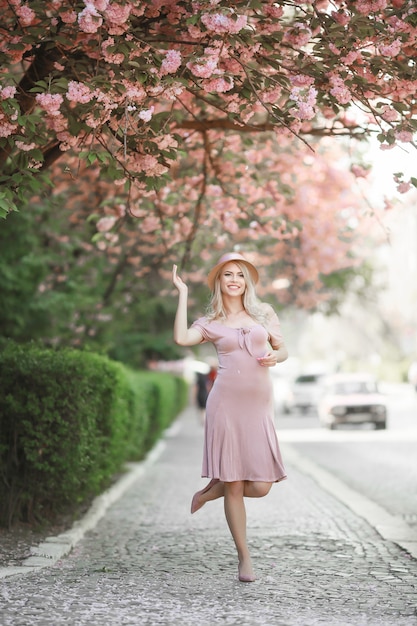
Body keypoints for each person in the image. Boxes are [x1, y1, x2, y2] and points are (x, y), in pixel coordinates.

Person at [172, 252, 288, 583]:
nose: (234, 279)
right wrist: (182, 294)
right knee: (235, 483)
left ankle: (212, 491)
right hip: (225, 405)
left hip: (259, 406)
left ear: (246, 281)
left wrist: (275, 357)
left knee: (262, 485)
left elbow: (284, 349)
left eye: (239, 274)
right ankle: (244, 558)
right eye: (227, 275)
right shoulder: (210, 322)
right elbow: (181, 339)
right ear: (219, 282)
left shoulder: (263, 313)